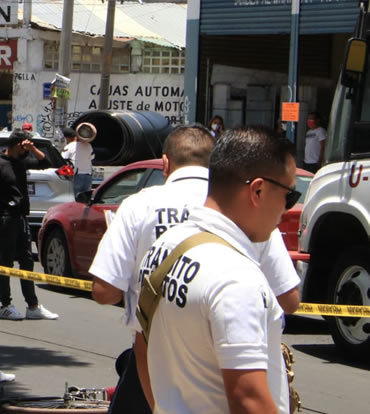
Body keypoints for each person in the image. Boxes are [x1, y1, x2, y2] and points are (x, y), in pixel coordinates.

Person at [88, 125, 300, 413]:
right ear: (258, 190)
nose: (287, 208)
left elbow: (143, 342)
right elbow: (248, 400)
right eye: (290, 195)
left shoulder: (166, 247)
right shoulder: (237, 278)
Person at [0, 129, 59, 320]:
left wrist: (32, 148)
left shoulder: (21, 163)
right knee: (6, 263)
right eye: (25, 145)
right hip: (5, 218)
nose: (27, 149)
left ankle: (33, 306)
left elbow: (47, 162)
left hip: (22, 218)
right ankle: (5, 305)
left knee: (27, 262)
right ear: (17, 145)